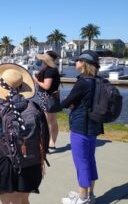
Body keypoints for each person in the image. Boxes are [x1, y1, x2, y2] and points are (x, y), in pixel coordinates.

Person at [0, 64, 47, 204]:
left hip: (4, 167)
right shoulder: (35, 108)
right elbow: (44, 136)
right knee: (24, 200)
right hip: (31, 164)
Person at [60, 50, 103, 204]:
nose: (75, 62)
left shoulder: (82, 82)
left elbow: (65, 103)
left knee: (81, 162)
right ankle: (90, 194)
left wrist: (67, 102)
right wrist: (74, 103)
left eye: (78, 59)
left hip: (81, 127)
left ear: (83, 63)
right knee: (89, 159)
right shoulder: (98, 80)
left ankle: (83, 198)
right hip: (94, 126)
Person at [33, 51, 61, 150]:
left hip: (47, 98)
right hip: (51, 97)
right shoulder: (53, 69)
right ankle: (51, 142)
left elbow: (46, 86)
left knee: (48, 122)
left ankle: (48, 142)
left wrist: (36, 81)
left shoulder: (50, 70)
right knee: (52, 121)